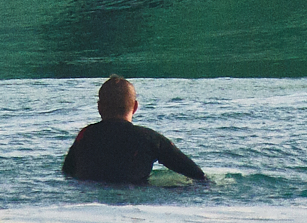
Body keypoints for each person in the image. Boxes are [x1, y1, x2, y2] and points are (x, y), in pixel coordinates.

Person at [62, 75, 208, 185]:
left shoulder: (85, 135)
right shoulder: (149, 138)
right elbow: (197, 175)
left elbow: (67, 173)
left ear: (99, 107)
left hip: (90, 197)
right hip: (134, 195)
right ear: (135, 107)